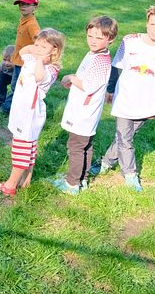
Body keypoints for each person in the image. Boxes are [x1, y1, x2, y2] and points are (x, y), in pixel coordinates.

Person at [0, 28, 65, 196]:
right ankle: (26, 181)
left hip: (30, 115)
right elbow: (23, 51)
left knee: (21, 150)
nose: (37, 49)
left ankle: (10, 185)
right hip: (21, 111)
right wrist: (37, 48)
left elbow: (39, 77)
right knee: (27, 147)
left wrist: (41, 59)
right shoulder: (32, 58)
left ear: (55, 51)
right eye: (37, 44)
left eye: (44, 47)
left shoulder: (51, 69)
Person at [50, 16, 117, 195]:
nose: (93, 41)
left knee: (76, 147)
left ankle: (72, 184)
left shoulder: (101, 61)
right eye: (90, 36)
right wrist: (74, 78)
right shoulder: (95, 54)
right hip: (85, 111)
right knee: (85, 146)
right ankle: (82, 179)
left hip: (84, 113)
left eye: (99, 37)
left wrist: (71, 78)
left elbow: (88, 86)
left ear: (110, 39)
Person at [91, 5, 155, 192]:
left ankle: (104, 163)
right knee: (125, 139)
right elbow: (115, 66)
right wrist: (110, 89)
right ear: (147, 22)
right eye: (152, 23)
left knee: (125, 136)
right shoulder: (130, 41)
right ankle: (130, 174)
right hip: (125, 99)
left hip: (148, 104)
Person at [0, 0, 42, 114]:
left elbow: (38, 42)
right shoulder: (24, 20)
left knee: (18, 87)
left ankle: (7, 109)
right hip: (18, 61)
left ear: (35, 6)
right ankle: (15, 108)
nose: (23, 6)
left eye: (27, 4)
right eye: (21, 4)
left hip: (25, 63)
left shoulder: (32, 25)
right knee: (16, 86)